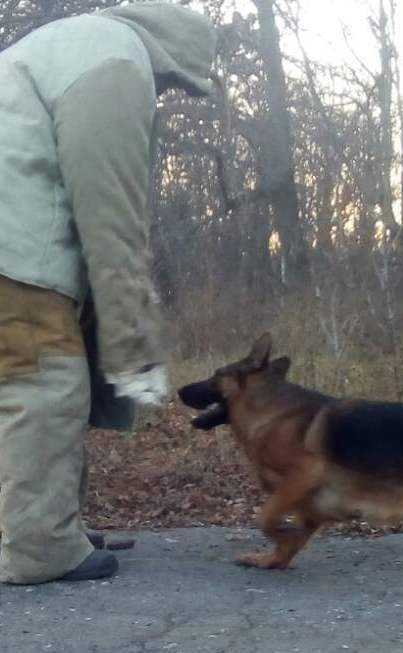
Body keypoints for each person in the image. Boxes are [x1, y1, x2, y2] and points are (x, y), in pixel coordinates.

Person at [0, 2, 217, 584]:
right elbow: (112, 216)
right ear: (169, 56)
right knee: (44, 385)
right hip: (15, 254)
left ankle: (40, 525)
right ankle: (39, 547)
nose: (168, 92)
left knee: (14, 390)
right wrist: (131, 338)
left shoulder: (62, 44)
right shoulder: (119, 63)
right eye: (175, 82)